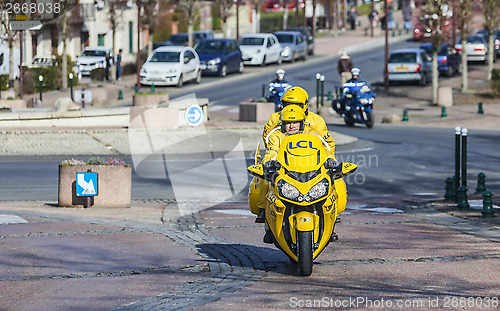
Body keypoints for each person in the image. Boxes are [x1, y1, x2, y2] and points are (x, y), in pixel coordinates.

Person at [254, 86, 336, 223]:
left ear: (305, 105)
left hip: (310, 162)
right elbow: (269, 142)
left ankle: (333, 212)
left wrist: (329, 160)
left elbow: (327, 145)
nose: (291, 107)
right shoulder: (275, 119)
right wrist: (271, 161)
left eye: (296, 104)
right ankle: (263, 209)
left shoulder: (317, 121)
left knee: (335, 178)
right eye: (287, 104)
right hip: (285, 162)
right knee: (265, 177)